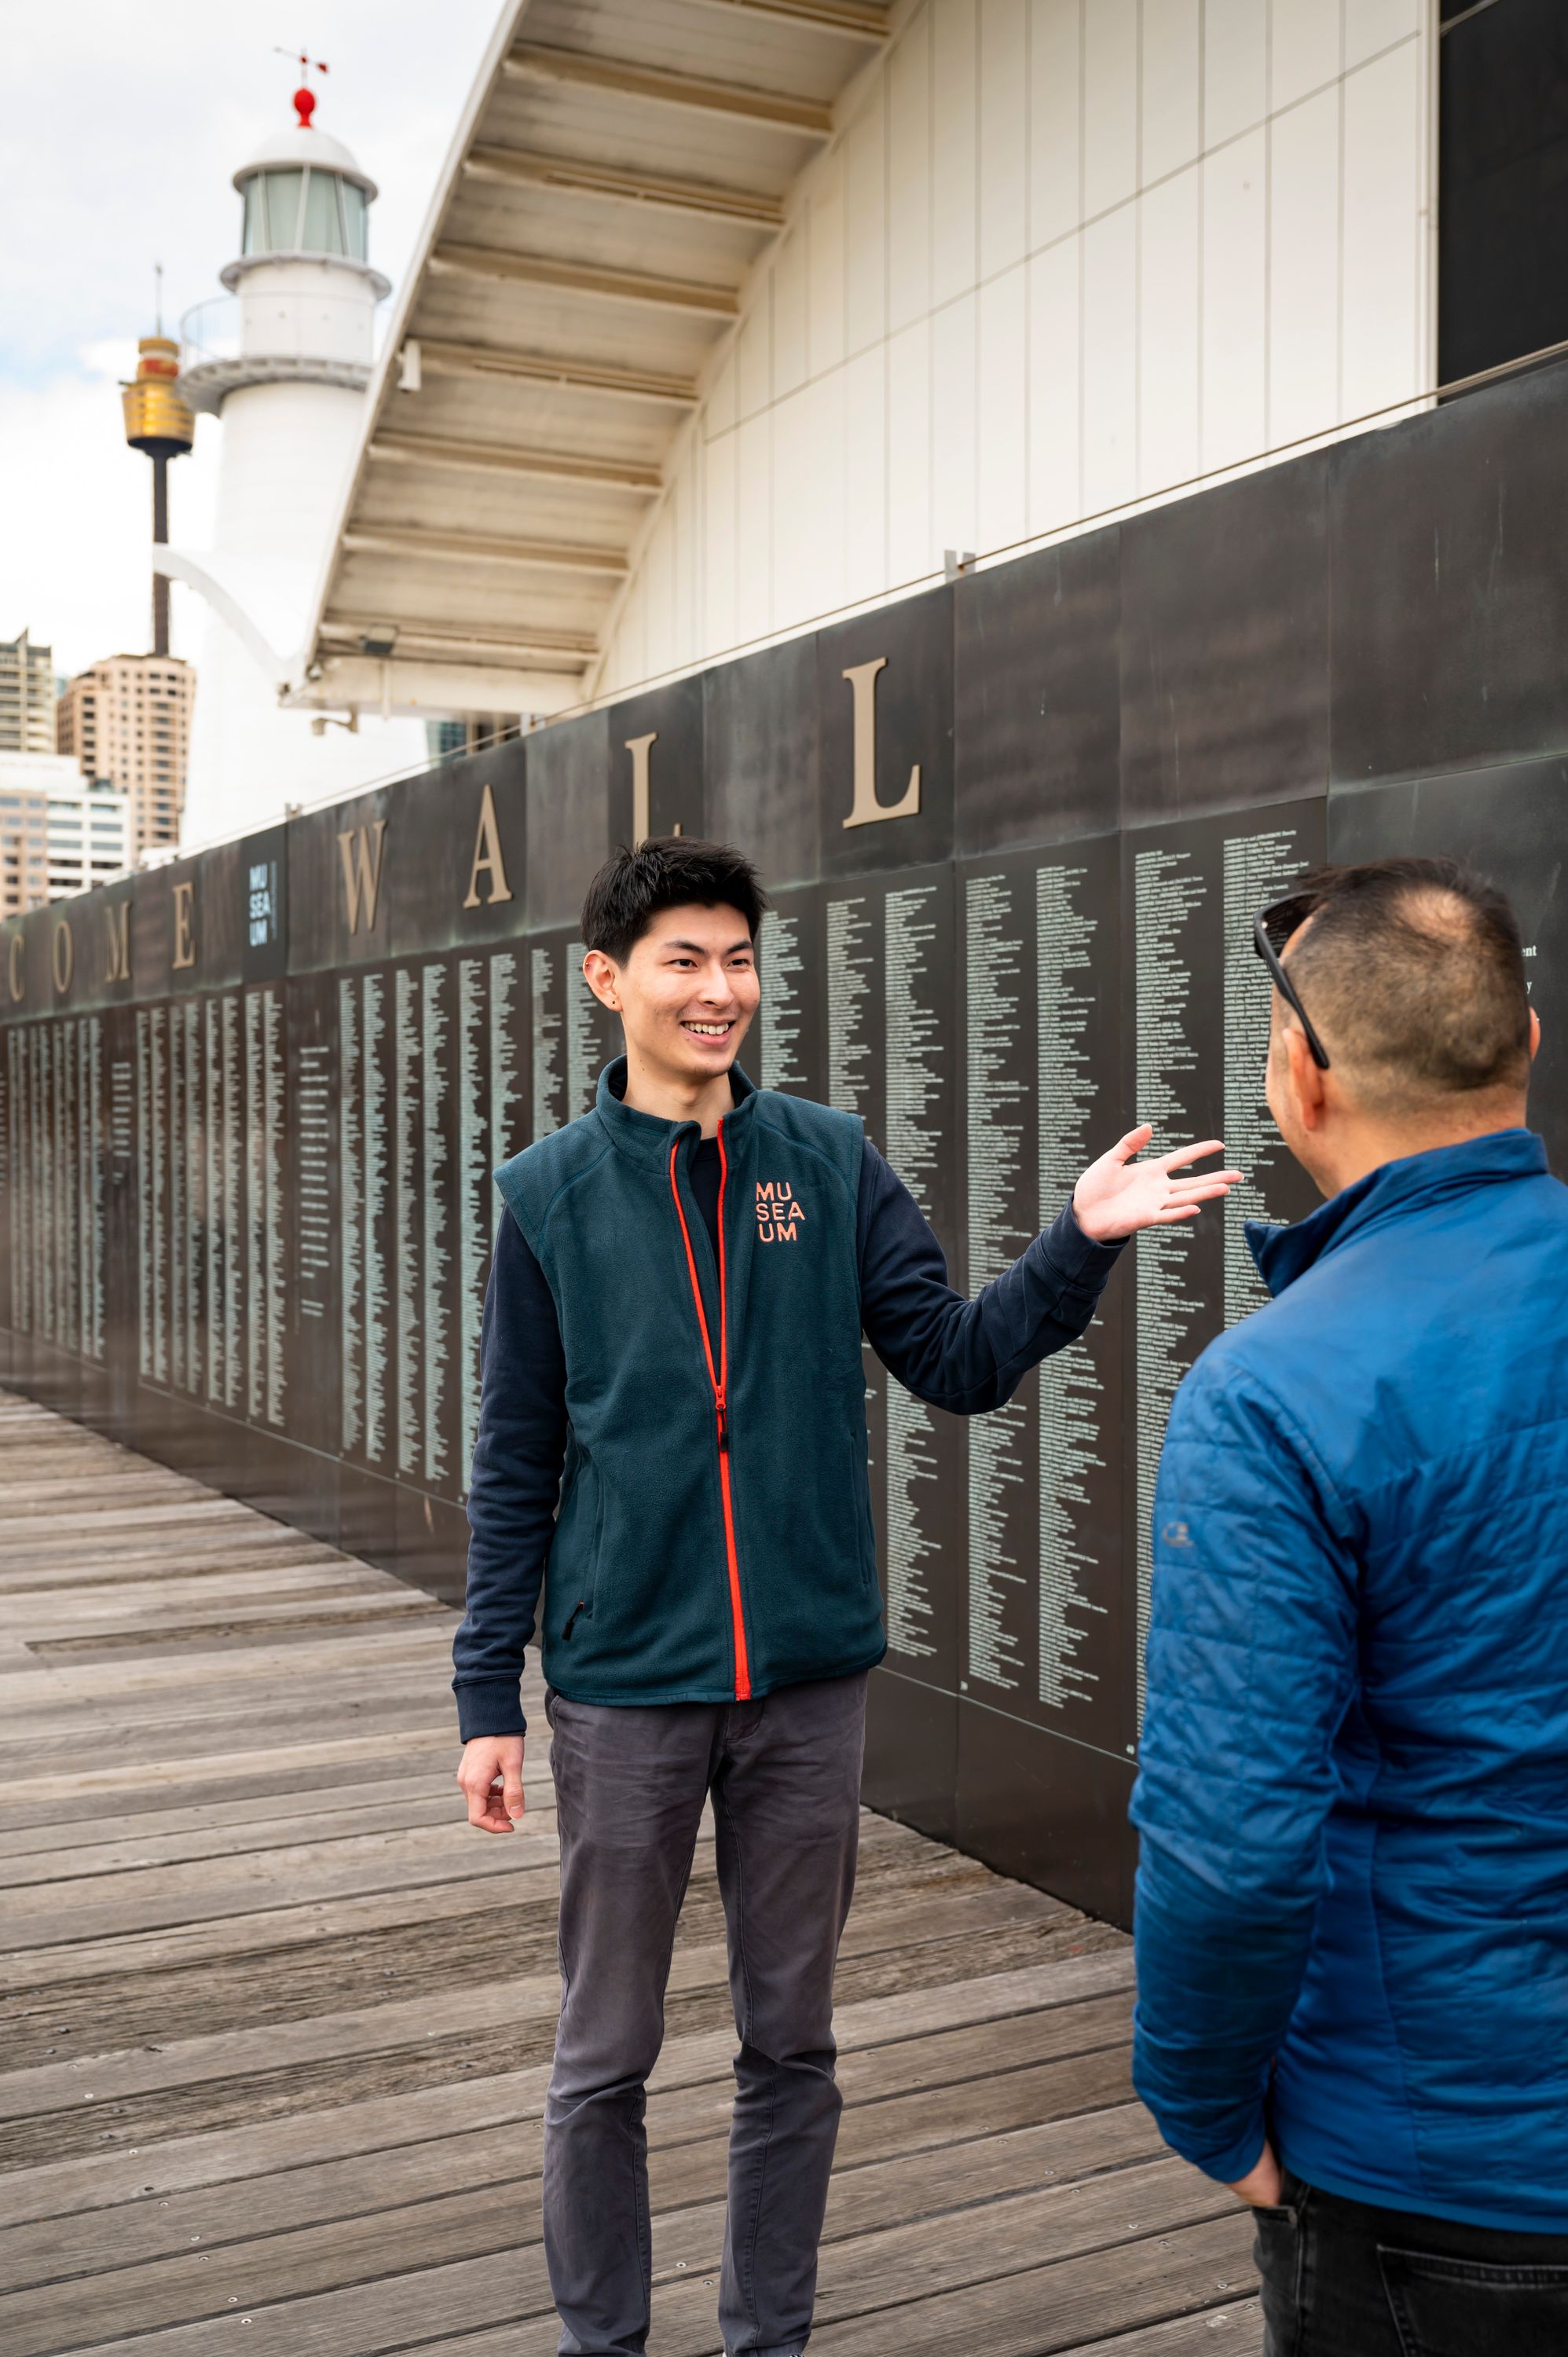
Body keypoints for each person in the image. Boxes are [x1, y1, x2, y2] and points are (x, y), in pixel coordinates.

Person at [453, 838, 1238, 2357]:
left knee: (791, 2045)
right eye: (684, 961)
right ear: (611, 981)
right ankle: (600, 2341)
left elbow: (953, 1356)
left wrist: (1074, 1243)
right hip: (624, 1685)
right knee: (603, 2057)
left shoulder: (824, 1159)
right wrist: (490, 1694)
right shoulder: (546, 1198)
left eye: (739, 959)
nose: (720, 989)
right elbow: (516, 1457)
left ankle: (772, 2338)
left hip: (808, 1682)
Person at [1132, 856, 1568, 2355]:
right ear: (1526, 1037)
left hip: (1435, 2173)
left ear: (1299, 1080)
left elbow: (1234, 1842)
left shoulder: (1274, 1391)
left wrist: (1202, 2104)